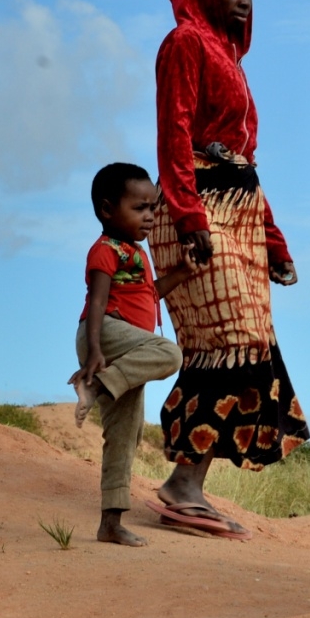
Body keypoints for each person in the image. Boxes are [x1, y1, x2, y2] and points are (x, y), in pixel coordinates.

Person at [147, 0, 309, 538]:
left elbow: (245, 163)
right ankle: (182, 487)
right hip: (196, 211)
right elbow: (174, 135)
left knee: (248, 345)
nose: (245, 0)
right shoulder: (185, 43)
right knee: (227, 344)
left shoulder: (230, 56)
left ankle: (187, 486)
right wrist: (191, 219)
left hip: (237, 215)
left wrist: (273, 239)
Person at [71, 162, 193, 547]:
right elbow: (97, 301)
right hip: (105, 338)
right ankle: (98, 385)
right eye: (139, 208)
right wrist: (93, 352)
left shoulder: (134, 253)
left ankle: (110, 523)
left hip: (127, 349)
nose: (150, 217)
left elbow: (149, 295)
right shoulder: (105, 251)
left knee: (125, 435)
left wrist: (183, 273)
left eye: (153, 208)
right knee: (171, 354)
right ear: (108, 210)